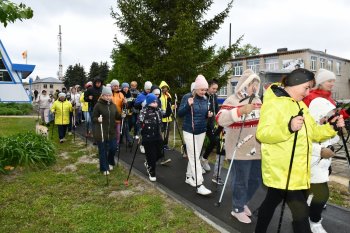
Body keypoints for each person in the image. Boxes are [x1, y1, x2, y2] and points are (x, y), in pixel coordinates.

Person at [255, 68, 344, 233]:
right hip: (282, 171)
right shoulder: (274, 103)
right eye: (306, 87)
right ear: (296, 84)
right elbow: (262, 134)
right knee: (301, 214)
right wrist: (288, 127)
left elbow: (313, 133)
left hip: (297, 170)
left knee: (270, 203)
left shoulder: (300, 104)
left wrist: (331, 127)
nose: (308, 92)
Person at [216, 69, 262, 223]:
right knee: (241, 180)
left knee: (256, 179)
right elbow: (220, 119)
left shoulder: (258, 101)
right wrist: (240, 111)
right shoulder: (232, 100)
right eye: (251, 84)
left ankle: (242, 202)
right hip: (239, 148)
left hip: (257, 149)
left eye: (256, 84)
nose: (254, 87)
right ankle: (237, 208)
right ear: (244, 85)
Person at [307, 97, 339, 233]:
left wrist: (338, 128)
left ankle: (306, 216)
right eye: (324, 116)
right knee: (322, 194)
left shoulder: (323, 125)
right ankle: (314, 221)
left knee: (312, 194)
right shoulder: (309, 127)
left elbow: (334, 138)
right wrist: (320, 151)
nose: (326, 118)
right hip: (311, 166)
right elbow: (305, 144)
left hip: (322, 167)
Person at [178, 74, 212, 196]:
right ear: (196, 88)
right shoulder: (187, 96)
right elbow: (180, 114)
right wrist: (188, 105)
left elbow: (201, 116)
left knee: (195, 156)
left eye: (205, 90)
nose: (204, 92)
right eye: (202, 89)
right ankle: (199, 184)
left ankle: (188, 177)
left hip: (201, 131)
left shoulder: (205, 99)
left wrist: (207, 115)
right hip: (189, 130)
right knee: (193, 156)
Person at [92, 86, 121, 175]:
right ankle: (104, 168)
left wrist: (122, 115)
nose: (108, 97)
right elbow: (93, 117)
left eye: (110, 95)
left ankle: (110, 162)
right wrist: (98, 119)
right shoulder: (98, 105)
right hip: (101, 132)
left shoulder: (113, 105)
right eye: (106, 95)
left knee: (113, 148)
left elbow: (117, 116)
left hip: (111, 132)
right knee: (103, 151)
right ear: (102, 96)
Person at [138, 93, 164, 181]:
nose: (155, 103)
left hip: (157, 135)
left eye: (156, 101)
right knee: (151, 156)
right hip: (148, 137)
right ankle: (151, 171)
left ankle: (148, 163)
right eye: (153, 102)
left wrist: (170, 108)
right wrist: (141, 128)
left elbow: (164, 115)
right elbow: (139, 123)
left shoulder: (158, 110)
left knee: (160, 153)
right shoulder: (143, 111)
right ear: (148, 102)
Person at [200, 79, 219, 173]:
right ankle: (198, 164)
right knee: (200, 143)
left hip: (210, 123)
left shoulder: (214, 96)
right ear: (208, 87)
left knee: (214, 140)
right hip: (201, 123)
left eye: (216, 89)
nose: (215, 90)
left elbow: (217, 109)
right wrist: (206, 114)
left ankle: (204, 158)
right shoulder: (203, 96)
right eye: (213, 88)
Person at [110, 79, 126, 150]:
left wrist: (125, 102)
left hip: (118, 115)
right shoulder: (109, 93)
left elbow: (124, 104)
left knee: (118, 131)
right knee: (110, 131)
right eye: (114, 86)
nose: (116, 87)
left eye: (117, 86)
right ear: (112, 86)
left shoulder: (121, 94)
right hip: (110, 115)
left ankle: (116, 144)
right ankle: (110, 144)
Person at [159, 81, 173, 151]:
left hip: (168, 117)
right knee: (161, 131)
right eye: (163, 88)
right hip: (162, 116)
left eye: (166, 88)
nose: (165, 89)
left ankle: (165, 144)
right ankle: (160, 144)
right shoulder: (159, 95)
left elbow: (169, 106)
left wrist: (173, 106)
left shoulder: (169, 95)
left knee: (167, 132)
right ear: (161, 88)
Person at [120, 82, 133, 147]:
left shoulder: (130, 94)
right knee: (125, 126)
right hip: (122, 112)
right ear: (122, 88)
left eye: (127, 87)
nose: (126, 88)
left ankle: (121, 139)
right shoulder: (120, 93)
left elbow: (131, 102)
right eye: (124, 87)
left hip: (128, 112)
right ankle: (129, 140)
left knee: (125, 126)